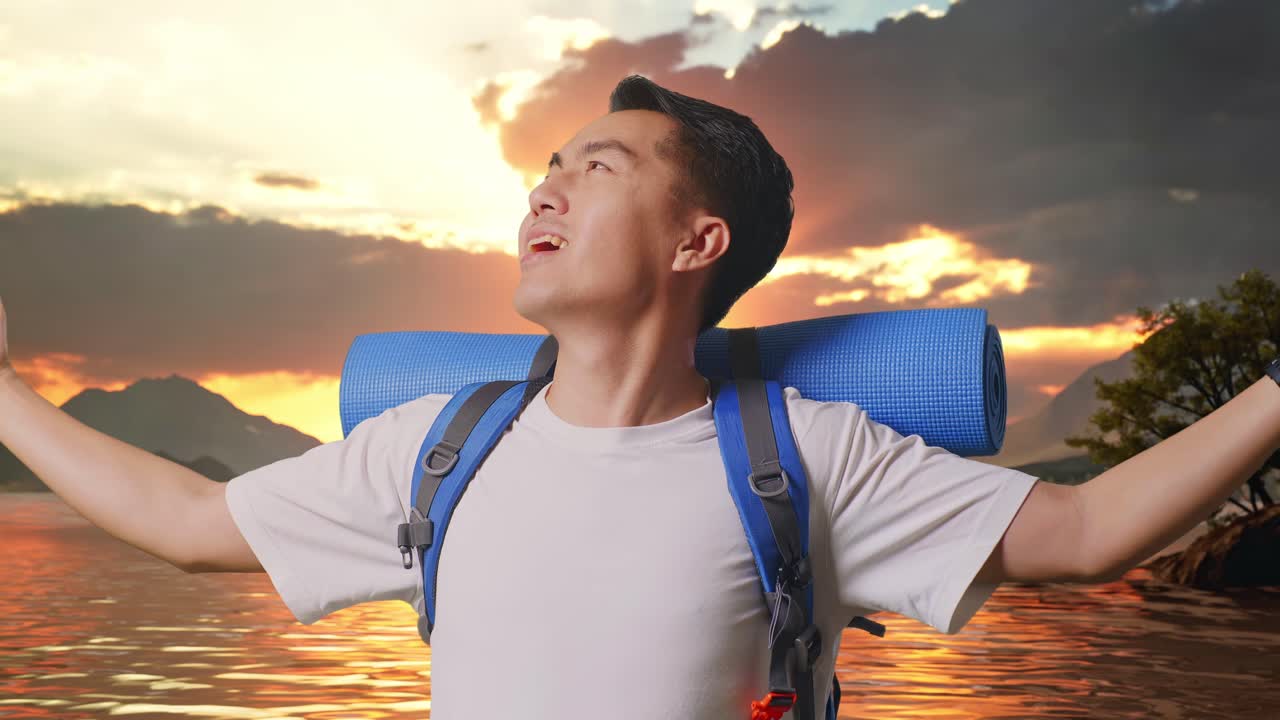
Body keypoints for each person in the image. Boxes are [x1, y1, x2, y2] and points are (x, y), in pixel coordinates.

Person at [1, 74, 1278, 720]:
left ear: (694, 245)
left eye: (595, 168)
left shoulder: (798, 457)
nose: (542, 191)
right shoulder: (438, 448)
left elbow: (1089, 534)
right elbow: (181, 522)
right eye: (543, 168)